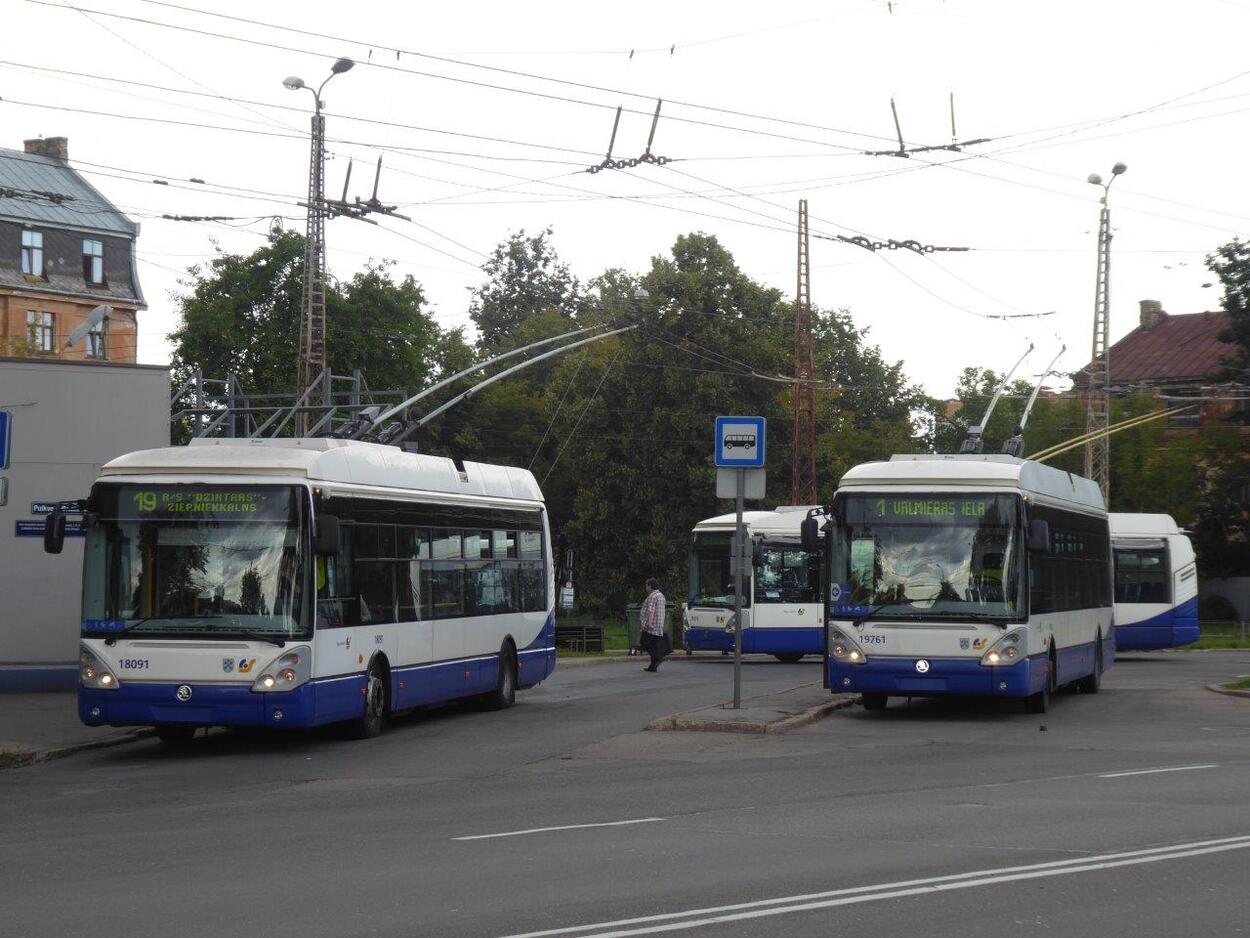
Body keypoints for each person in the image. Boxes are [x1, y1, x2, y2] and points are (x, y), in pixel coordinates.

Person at [639, 577, 668, 672]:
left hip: (652, 624)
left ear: (650, 586)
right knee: (654, 644)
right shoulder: (661, 595)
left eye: (646, 585)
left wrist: (649, 623)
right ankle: (653, 666)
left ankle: (657, 658)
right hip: (659, 623)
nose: (645, 587)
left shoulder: (652, 596)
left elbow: (651, 611)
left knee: (644, 642)